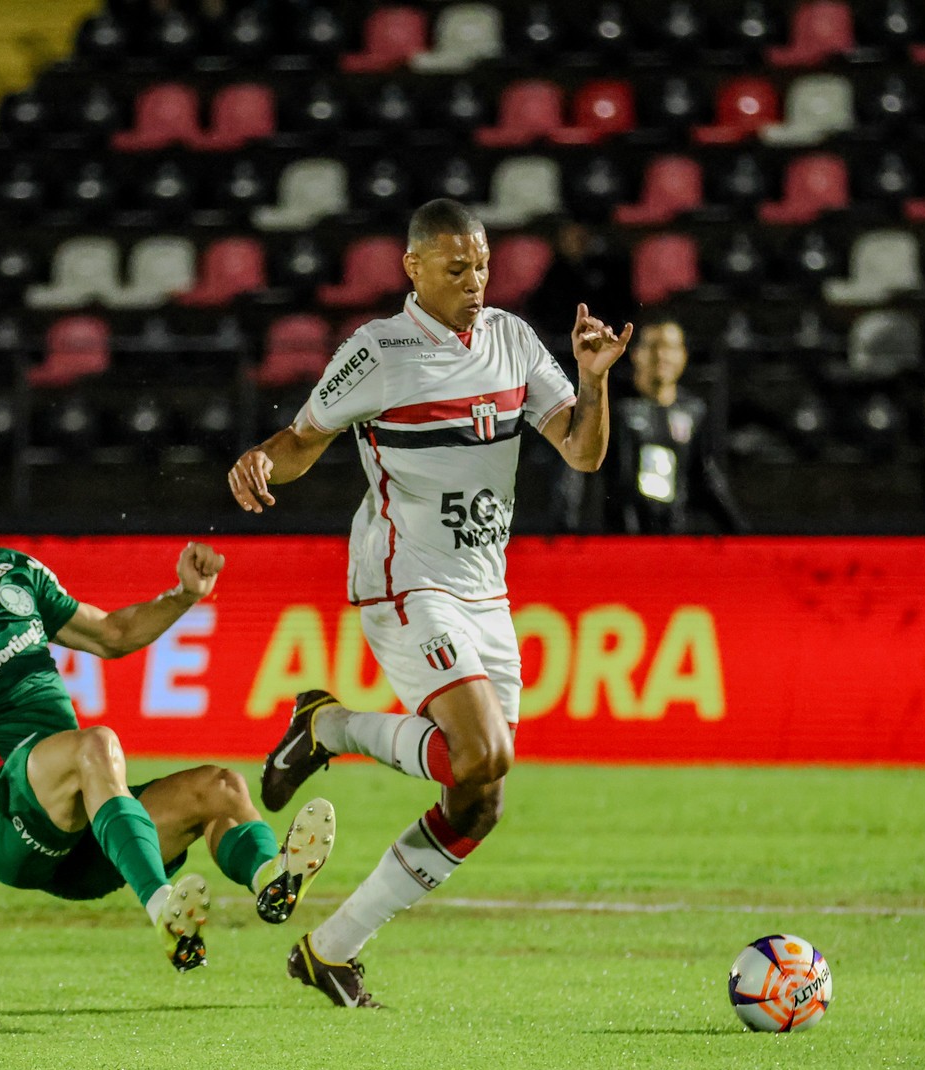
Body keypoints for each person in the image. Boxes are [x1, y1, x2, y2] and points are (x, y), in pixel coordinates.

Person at [224, 198, 631, 1007]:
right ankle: (330, 727)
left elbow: (582, 452)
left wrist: (592, 381)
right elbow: (304, 439)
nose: (475, 281)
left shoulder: (513, 339)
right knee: (481, 751)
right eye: (457, 267)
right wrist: (259, 462)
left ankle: (331, 948)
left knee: (480, 797)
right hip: (405, 579)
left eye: (482, 265)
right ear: (413, 269)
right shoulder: (378, 351)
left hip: (487, 590)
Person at [0, 463, 337, 972]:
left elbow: (111, 634)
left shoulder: (17, 578)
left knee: (221, 788)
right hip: (5, 821)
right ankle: (164, 908)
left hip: (82, 835)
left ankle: (270, 878)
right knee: (93, 745)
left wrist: (184, 595)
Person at [559, 315, 746, 534]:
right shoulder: (613, 409)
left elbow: (705, 476)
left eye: (670, 347)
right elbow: (578, 468)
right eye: (654, 346)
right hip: (619, 539)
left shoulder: (694, 411)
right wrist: (566, 528)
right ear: (636, 353)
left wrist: (739, 532)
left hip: (674, 538)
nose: (662, 356)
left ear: (683, 355)